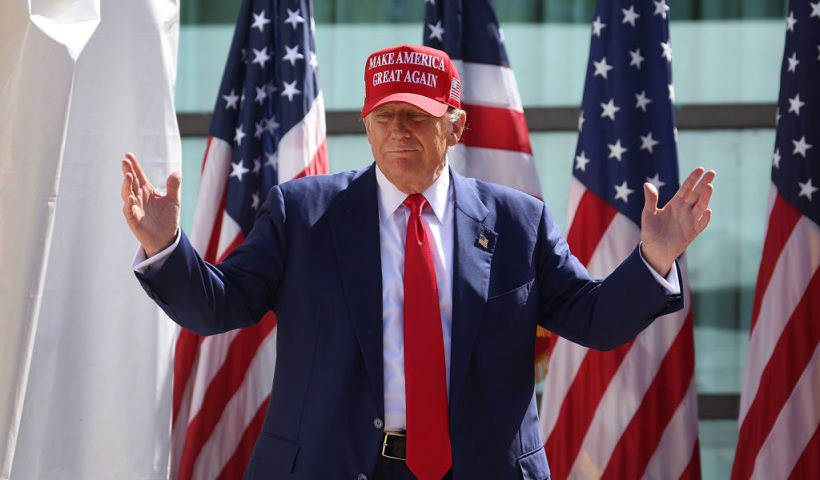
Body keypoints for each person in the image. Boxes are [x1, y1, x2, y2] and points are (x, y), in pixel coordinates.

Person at [122, 44, 714, 480]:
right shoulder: (303, 215)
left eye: (417, 116)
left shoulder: (517, 222)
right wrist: (166, 248)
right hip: (331, 467)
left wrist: (654, 258)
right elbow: (220, 305)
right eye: (385, 116)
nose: (398, 131)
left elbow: (593, 320)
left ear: (455, 125)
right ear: (366, 123)